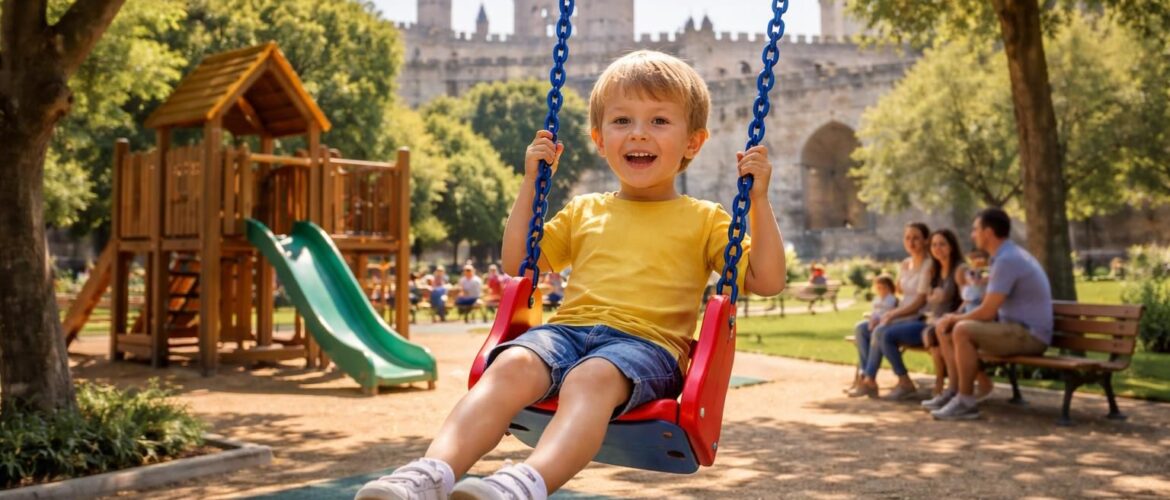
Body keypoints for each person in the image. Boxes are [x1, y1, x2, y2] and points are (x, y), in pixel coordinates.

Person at [357, 50, 787, 500]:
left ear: (693, 143)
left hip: (646, 348)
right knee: (511, 365)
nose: (639, 133)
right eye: (622, 121)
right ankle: (429, 474)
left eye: (659, 121)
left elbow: (767, 278)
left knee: (592, 377)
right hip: (567, 334)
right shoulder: (584, 209)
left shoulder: (706, 219)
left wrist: (758, 200)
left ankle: (521, 483)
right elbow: (518, 261)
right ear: (600, 140)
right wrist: (531, 182)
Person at [930, 208, 1053, 420]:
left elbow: (987, 312)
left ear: (988, 232)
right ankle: (954, 392)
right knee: (948, 330)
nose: (972, 235)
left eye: (975, 229)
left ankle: (966, 402)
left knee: (961, 329)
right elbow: (988, 304)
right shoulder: (1004, 256)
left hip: (1029, 335)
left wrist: (954, 318)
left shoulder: (1007, 260)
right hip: (1014, 330)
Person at [848, 222, 933, 399]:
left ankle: (889, 380)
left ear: (926, 240)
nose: (911, 242)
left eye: (916, 238)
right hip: (901, 315)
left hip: (919, 317)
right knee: (862, 328)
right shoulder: (905, 264)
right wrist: (879, 314)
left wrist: (891, 315)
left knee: (881, 332)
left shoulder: (929, 265)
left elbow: (919, 302)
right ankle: (867, 378)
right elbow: (898, 293)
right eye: (908, 238)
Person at [918, 229, 967, 398]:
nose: (937, 248)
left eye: (942, 244)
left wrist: (953, 317)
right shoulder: (935, 271)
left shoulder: (959, 269)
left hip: (955, 320)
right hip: (937, 321)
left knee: (936, 335)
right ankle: (944, 385)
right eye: (934, 245)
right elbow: (928, 299)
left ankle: (946, 386)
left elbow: (967, 300)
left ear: (951, 246)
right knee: (933, 335)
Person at [959, 250, 989, 314]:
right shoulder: (970, 272)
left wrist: (981, 271)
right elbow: (972, 281)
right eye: (974, 258)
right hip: (971, 300)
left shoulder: (985, 270)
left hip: (980, 300)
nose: (978, 260)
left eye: (980, 257)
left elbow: (986, 279)